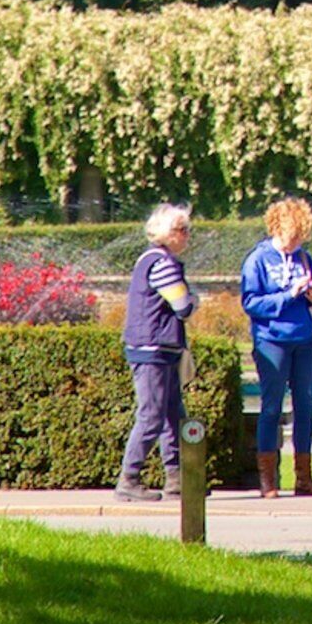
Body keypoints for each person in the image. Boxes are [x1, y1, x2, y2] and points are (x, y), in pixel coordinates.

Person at [242, 196, 312, 499]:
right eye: (291, 236)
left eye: (299, 237)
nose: (295, 242)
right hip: (272, 341)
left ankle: (304, 479)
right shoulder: (258, 259)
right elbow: (251, 303)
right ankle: (268, 480)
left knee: (306, 406)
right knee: (272, 407)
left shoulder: (304, 258)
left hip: (304, 340)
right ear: (276, 227)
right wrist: (287, 295)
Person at [115, 203, 198, 504]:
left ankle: (177, 479)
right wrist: (193, 300)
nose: (187, 236)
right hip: (152, 348)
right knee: (152, 416)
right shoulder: (162, 263)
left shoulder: (153, 260)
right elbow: (183, 306)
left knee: (174, 415)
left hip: (159, 349)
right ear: (166, 233)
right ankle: (129, 478)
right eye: (182, 230)